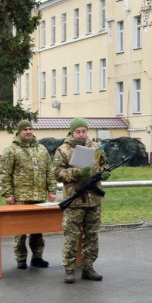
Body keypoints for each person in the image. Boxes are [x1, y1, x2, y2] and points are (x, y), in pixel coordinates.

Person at [53, 117, 112, 284]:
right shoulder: (63, 150)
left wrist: (105, 173)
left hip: (94, 200)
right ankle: (69, 269)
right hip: (75, 200)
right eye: (78, 131)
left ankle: (88, 267)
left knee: (92, 235)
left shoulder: (95, 147)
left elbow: (103, 165)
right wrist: (77, 173)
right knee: (72, 236)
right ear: (72, 132)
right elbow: (56, 173)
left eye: (84, 131)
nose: (81, 134)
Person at [0, 119, 57, 269]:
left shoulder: (41, 149)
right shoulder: (12, 150)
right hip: (20, 197)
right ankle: (21, 258)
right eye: (25, 129)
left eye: (30, 129)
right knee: (20, 229)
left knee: (37, 228)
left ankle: (37, 257)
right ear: (19, 131)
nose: (29, 132)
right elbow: (5, 173)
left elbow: (49, 171)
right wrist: (8, 194)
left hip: (38, 196)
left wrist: (52, 190)